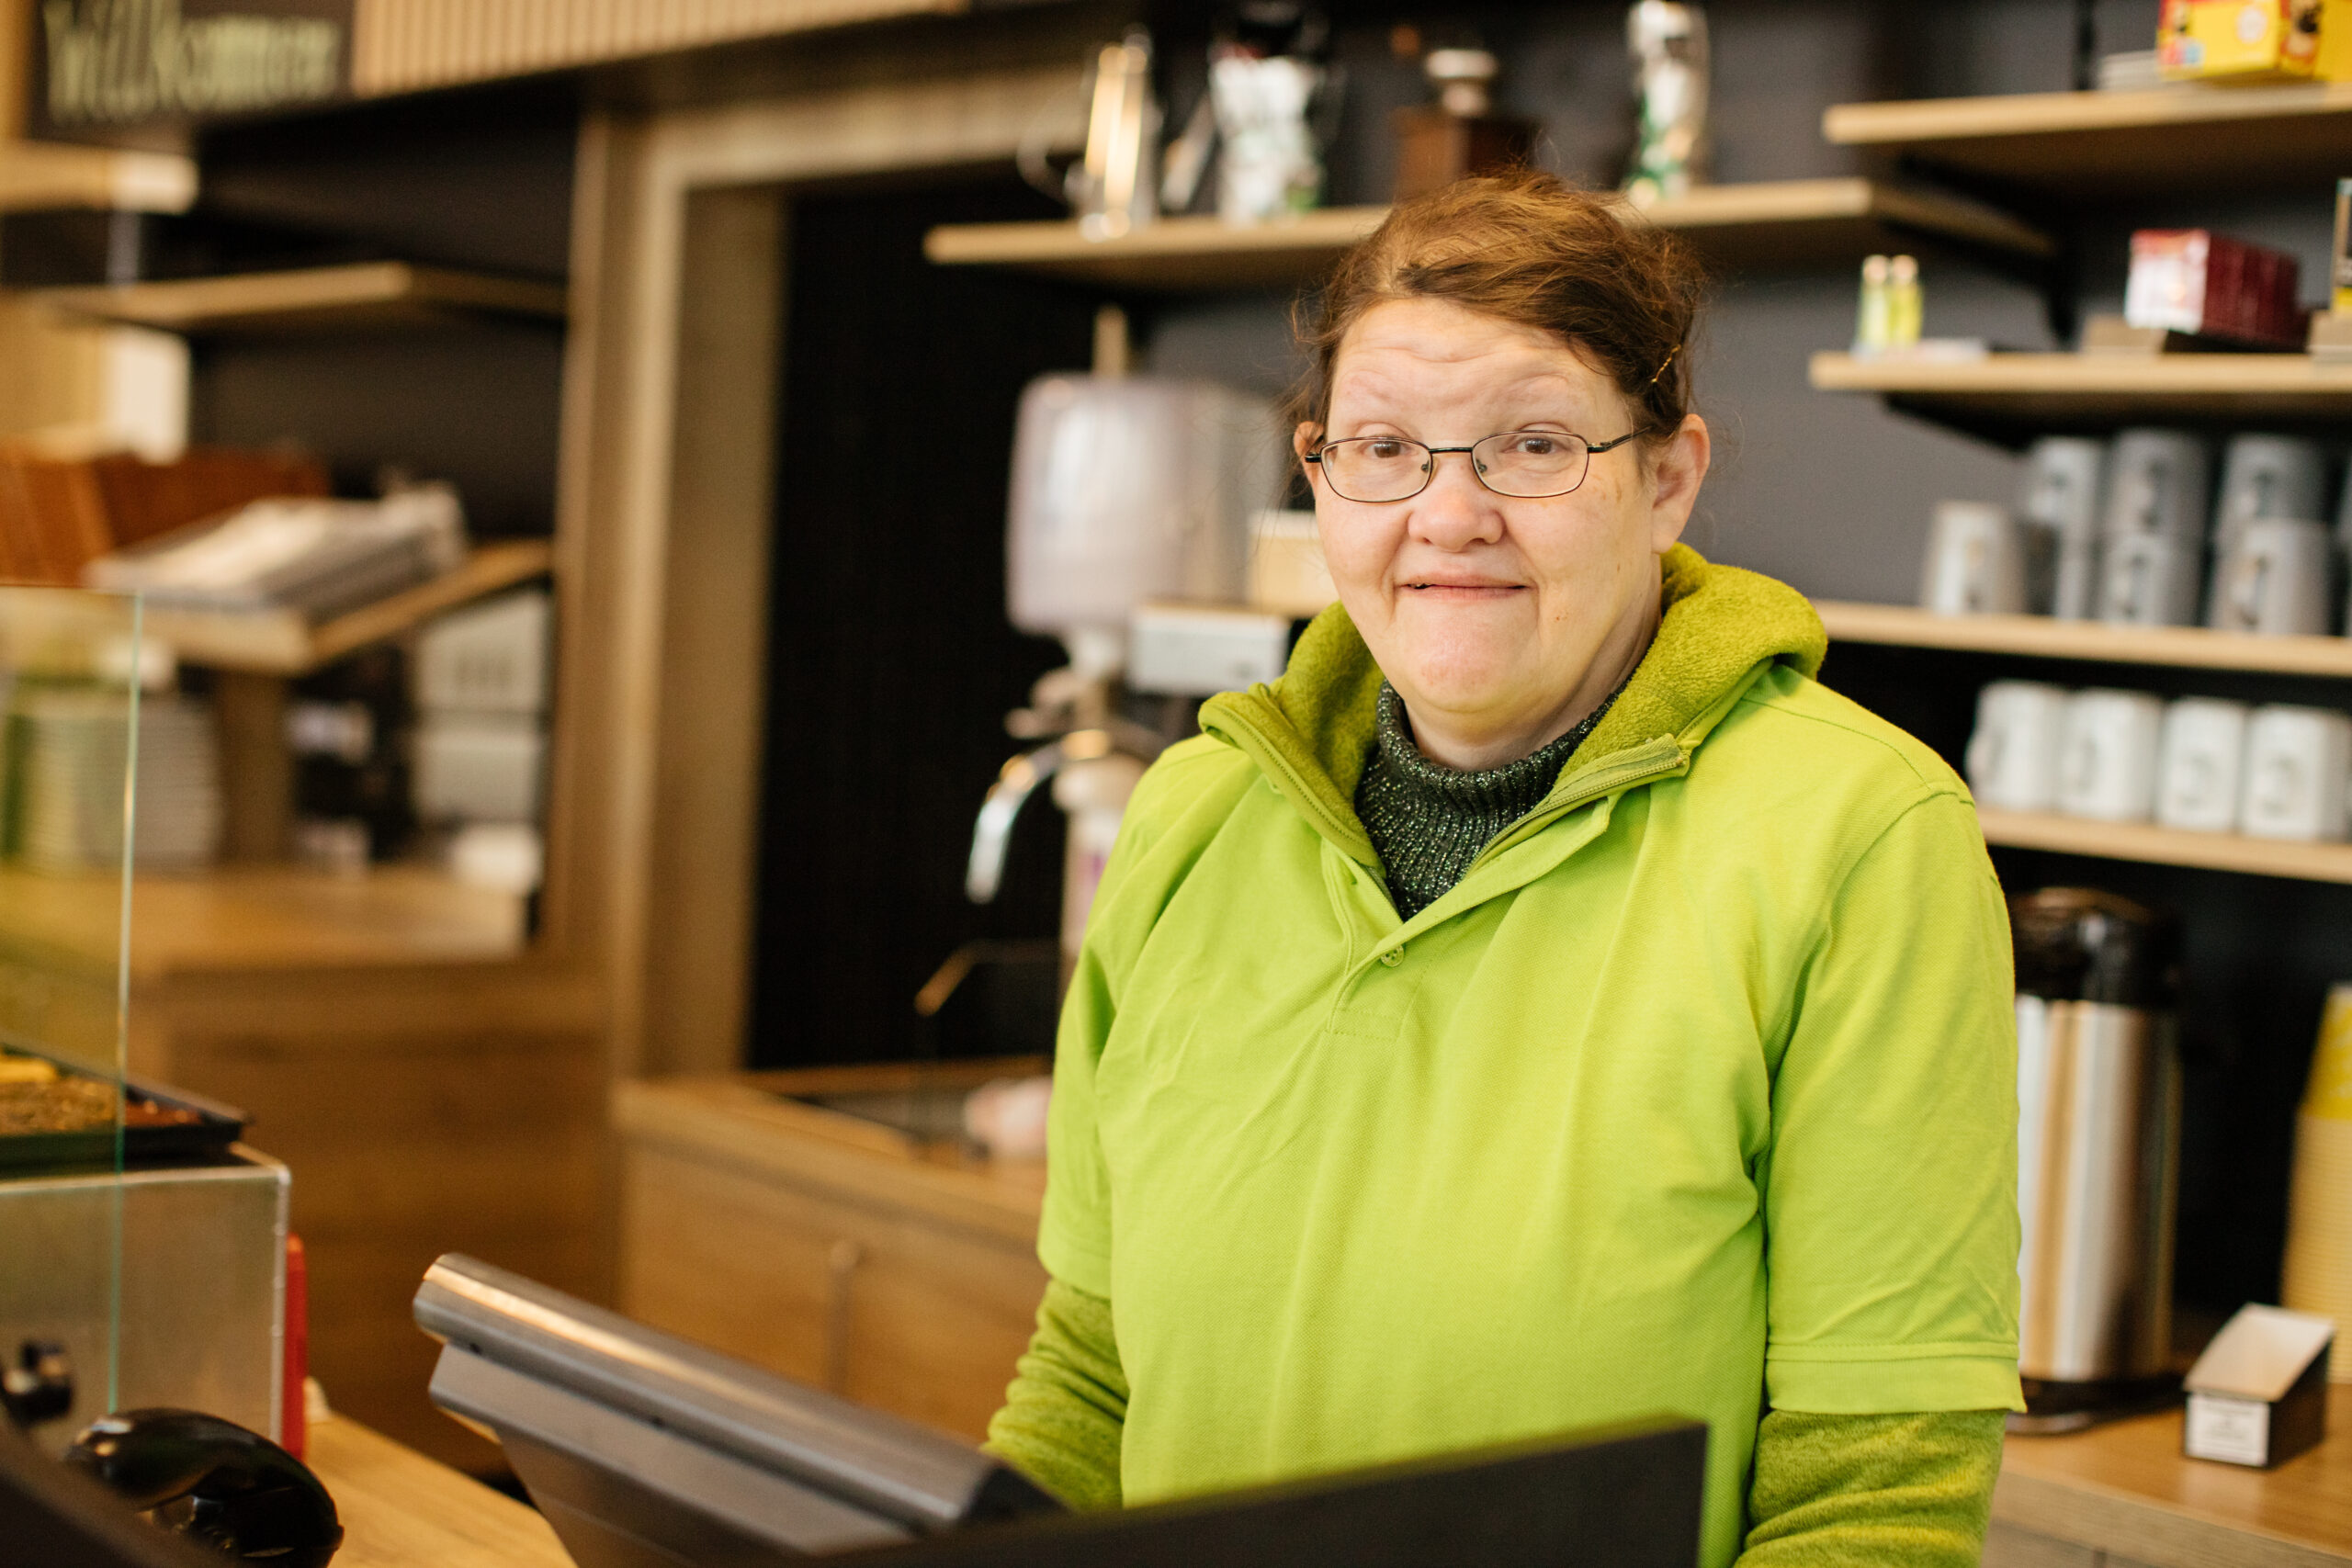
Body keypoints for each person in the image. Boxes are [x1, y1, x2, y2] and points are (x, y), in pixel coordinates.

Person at [986, 171, 2021, 1568]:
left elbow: (1873, 1492)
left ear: (1668, 480)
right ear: (1319, 475)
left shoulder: (1858, 838)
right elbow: (1090, 1379)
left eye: (1532, 446)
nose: (1449, 513)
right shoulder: (1195, 815)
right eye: (1384, 448)